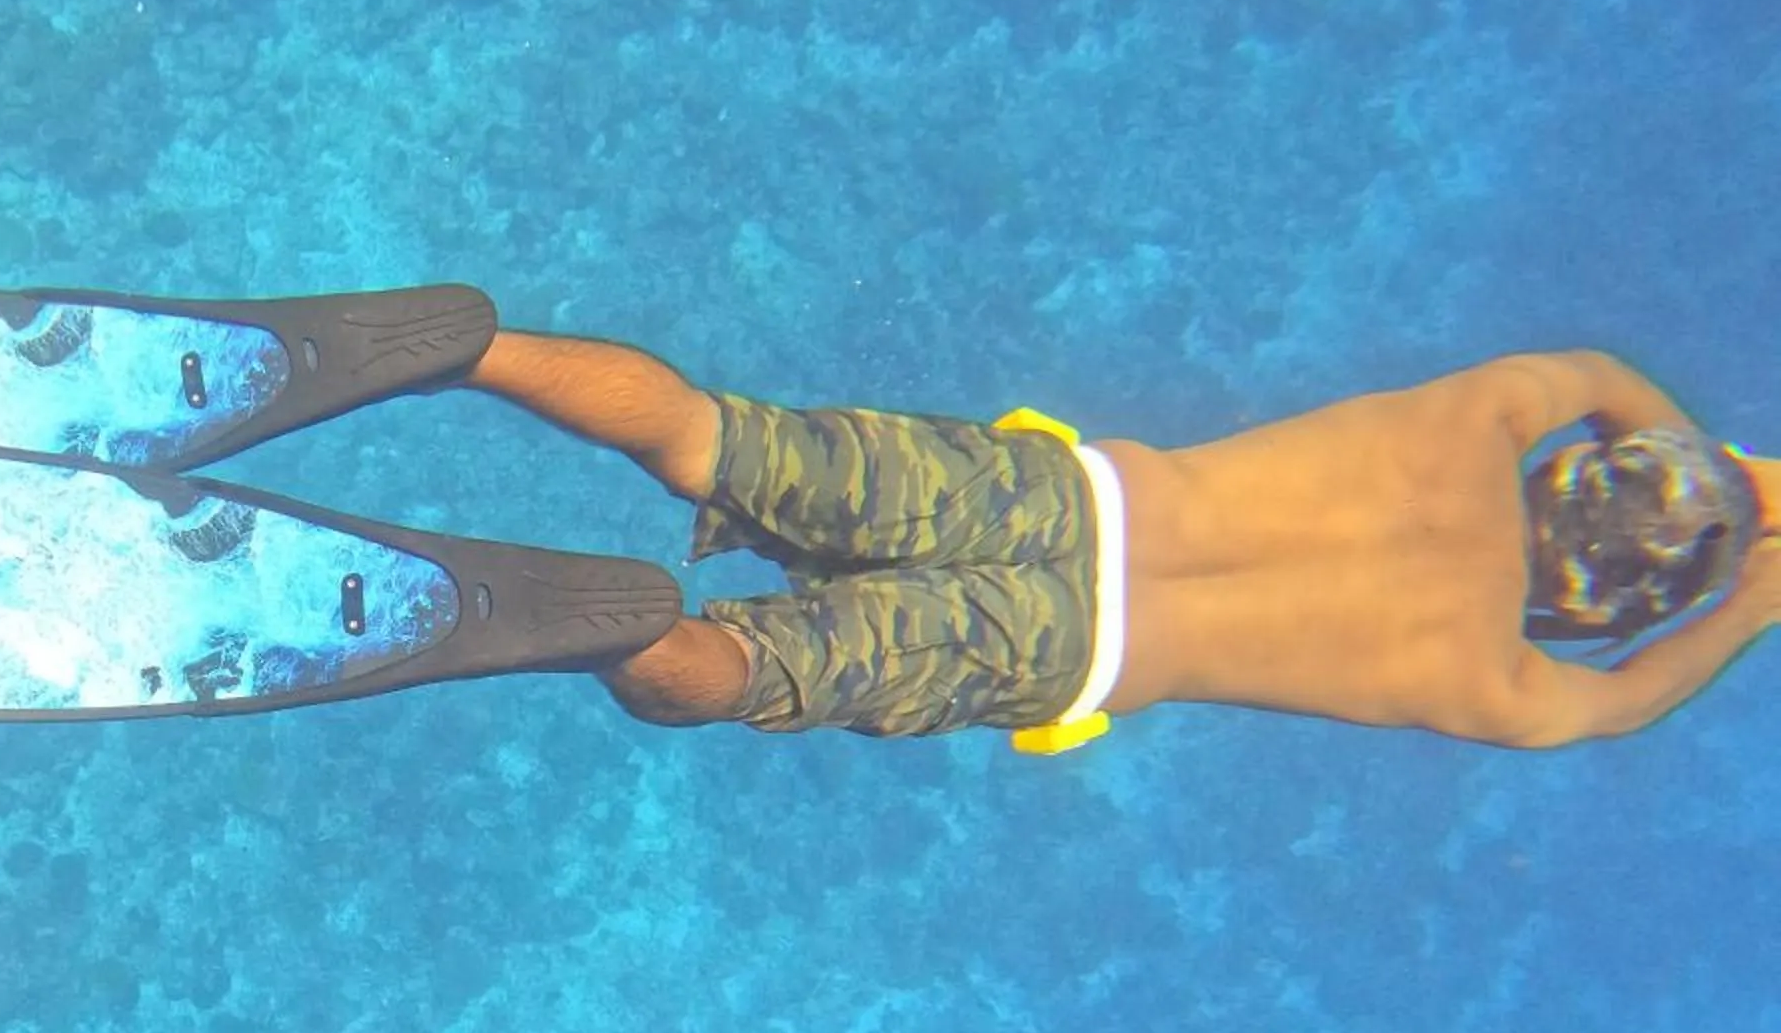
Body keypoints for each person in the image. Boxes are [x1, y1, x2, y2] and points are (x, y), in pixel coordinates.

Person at [454, 334, 1781, 749]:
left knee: (714, 434)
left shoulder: (1493, 417)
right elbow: (1630, 696)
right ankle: (602, 627)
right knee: (757, 673)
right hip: (1072, 646)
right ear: (1607, 605)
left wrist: (1729, 478)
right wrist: (1752, 593)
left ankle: (470, 351)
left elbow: (1602, 373)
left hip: (1064, 497)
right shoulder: (1511, 682)